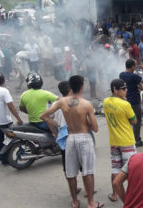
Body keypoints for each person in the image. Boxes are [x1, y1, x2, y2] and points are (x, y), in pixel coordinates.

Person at [41, 75, 102, 208]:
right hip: (84, 137)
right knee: (88, 171)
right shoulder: (86, 104)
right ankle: (91, 203)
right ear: (82, 87)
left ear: (70, 86)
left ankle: (74, 202)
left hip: (70, 138)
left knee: (71, 172)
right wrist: (84, 121)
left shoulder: (62, 102)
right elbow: (95, 128)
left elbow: (43, 115)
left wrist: (57, 125)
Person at [103, 79, 138, 203]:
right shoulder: (125, 104)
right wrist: (125, 102)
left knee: (116, 170)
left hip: (114, 141)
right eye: (123, 89)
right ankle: (132, 196)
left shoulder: (106, 102)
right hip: (127, 141)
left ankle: (114, 194)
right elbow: (134, 121)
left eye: (125, 88)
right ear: (115, 90)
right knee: (131, 171)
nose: (126, 90)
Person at [0, 73, 23, 166]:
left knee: (0, 140)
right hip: (4, 121)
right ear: (3, 81)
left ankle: (2, 158)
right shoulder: (4, 91)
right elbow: (11, 106)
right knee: (11, 139)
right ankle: (3, 157)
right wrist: (19, 119)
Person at [119, 59, 143, 147]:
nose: (136, 67)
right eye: (135, 65)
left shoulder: (121, 74)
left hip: (125, 100)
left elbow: (133, 84)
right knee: (137, 121)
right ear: (132, 66)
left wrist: (140, 88)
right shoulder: (133, 76)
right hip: (134, 101)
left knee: (127, 120)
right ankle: (137, 140)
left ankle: (127, 139)